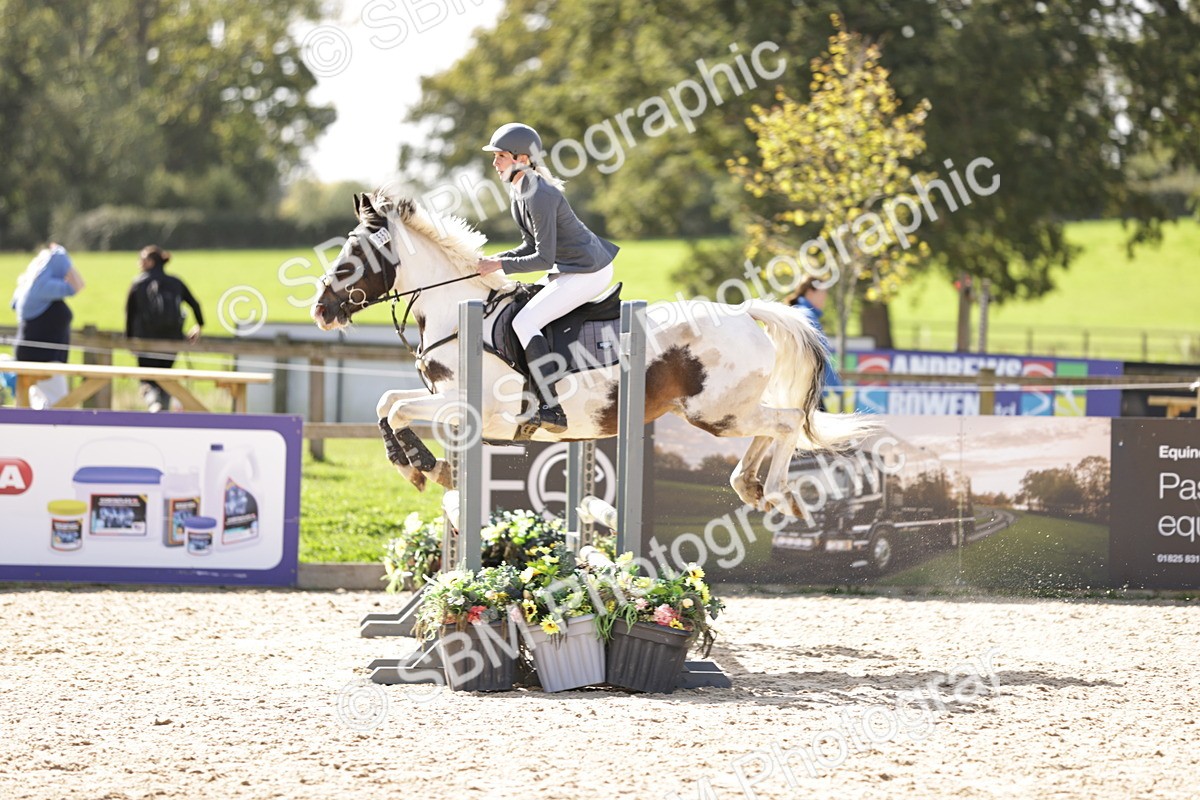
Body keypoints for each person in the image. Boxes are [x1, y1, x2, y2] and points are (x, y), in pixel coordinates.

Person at [475, 122, 619, 434]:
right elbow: (529, 246)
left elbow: (542, 258)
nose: (494, 162)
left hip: (589, 270)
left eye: (500, 156)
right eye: (495, 156)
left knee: (525, 322)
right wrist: (491, 261)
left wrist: (498, 265)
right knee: (518, 307)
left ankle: (552, 408)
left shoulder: (539, 193)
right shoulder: (519, 190)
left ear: (522, 159)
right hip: (569, 268)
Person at [124, 245, 203, 412]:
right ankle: (164, 412)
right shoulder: (176, 282)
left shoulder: (138, 283)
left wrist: (130, 340)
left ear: (150, 262)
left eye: (142, 259)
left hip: (146, 340)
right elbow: (195, 304)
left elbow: (130, 315)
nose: (139, 263)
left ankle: (154, 405)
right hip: (172, 340)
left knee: (147, 379)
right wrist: (199, 326)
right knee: (166, 376)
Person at [10, 243, 85, 408]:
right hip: (43, 359)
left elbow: (14, 305)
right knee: (60, 408)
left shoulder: (30, 284)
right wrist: (62, 258)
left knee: (35, 407)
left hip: (31, 355)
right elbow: (78, 285)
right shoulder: (43, 287)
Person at [785, 274, 842, 410]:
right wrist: (835, 385)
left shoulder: (793, 313)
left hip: (790, 386)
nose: (825, 297)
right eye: (823, 292)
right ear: (810, 292)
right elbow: (819, 355)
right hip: (807, 387)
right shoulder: (807, 316)